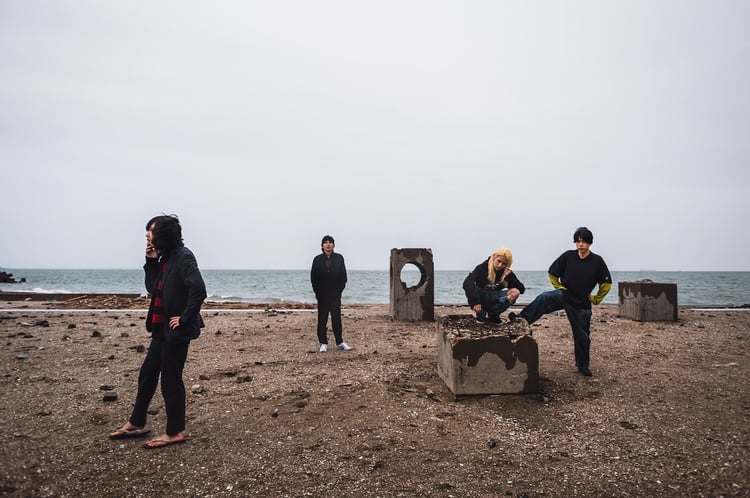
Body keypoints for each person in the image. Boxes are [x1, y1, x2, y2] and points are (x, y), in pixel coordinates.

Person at [109, 214, 207, 449]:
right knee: (147, 375)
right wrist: (151, 262)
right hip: (161, 328)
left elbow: (199, 289)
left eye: (150, 230)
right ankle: (137, 422)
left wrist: (184, 318)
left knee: (171, 380)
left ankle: (175, 432)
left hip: (176, 331)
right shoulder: (165, 258)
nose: (147, 234)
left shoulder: (183, 256)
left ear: (163, 234)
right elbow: (153, 288)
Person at [510, 227, 612, 377]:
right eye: (578, 241)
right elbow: (552, 272)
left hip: (581, 303)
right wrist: (558, 287)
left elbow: (606, 283)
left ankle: (582, 365)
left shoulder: (597, 261)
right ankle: (520, 320)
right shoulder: (568, 256)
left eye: (584, 241)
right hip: (565, 295)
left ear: (589, 243)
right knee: (545, 297)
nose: (580, 244)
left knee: (582, 336)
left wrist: (597, 299)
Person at [463, 248, 525, 324]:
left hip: (495, 298)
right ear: (494, 257)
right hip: (481, 299)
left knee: (515, 292)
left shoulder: (506, 272)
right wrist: (474, 301)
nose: (500, 265)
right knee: (481, 320)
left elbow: (522, 290)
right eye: (499, 261)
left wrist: (510, 277)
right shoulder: (482, 268)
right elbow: (467, 283)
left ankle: (493, 315)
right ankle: (481, 315)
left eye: (504, 263)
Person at [310, 235, 351, 352]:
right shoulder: (317, 260)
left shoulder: (339, 258)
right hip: (322, 295)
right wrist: (317, 293)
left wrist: (339, 291)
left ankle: (340, 342)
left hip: (335, 295)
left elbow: (343, 277)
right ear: (322, 245)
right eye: (326, 242)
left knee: (337, 319)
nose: (328, 244)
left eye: (330, 242)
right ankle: (323, 343)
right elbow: (313, 278)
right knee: (322, 319)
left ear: (333, 245)